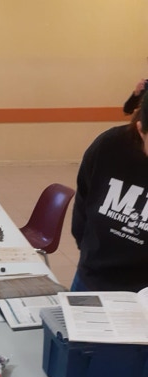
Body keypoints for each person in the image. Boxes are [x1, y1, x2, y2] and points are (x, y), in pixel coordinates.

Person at [71, 94, 148, 292]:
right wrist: (90, 254)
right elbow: (83, 203)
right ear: (141, 130)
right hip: (92, 277)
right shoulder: (109, 146)